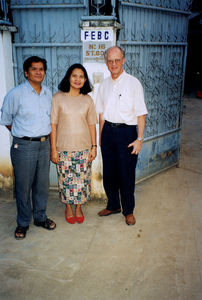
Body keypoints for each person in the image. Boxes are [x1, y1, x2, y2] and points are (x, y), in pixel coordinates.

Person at [0, 56, 56, 239]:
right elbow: (7, 120)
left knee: (42, 185)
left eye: (41, 69)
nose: (39, 72)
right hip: (24, 146)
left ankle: (40, 217)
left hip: (44, 144)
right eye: (34, 69)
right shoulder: (16, 94)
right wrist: (23, 135)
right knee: (23, 187)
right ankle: (23, 223)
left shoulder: (48, 93)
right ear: (26, 72)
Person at [95, 46, 148, 225]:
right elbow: (101, 114)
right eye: (110, 60)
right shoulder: (103, 85)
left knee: (126, 174)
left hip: (127, 133)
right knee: (109, 173)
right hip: (108, 132)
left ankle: (128, 210)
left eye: (117, 60)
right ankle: (113, 205)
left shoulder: (134, 83)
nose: (114, 64)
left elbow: (141, 114)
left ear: (123, 60)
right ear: (106, 63)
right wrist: (101, 138)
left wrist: (139, 139)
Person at [51, 64, 97, 224]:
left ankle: (78, 207)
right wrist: (53, 150)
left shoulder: (87, 100)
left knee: (82, 181)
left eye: (81, 76)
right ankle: (68, 207)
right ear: (68, 77)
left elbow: (92, 124)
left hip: (83, 149)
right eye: (74, 76)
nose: (78, 79)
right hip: (63, 149)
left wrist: (94, 146)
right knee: (66, 181)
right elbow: (53, 125)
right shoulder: (58, 98)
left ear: (85, 80)